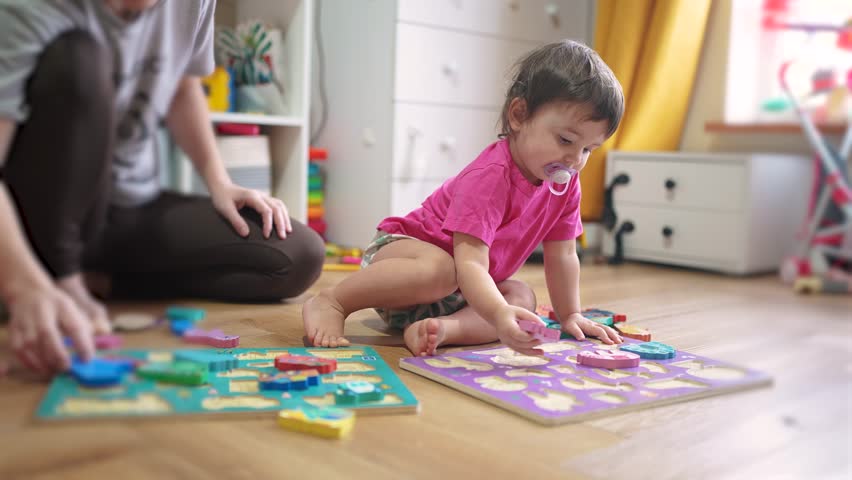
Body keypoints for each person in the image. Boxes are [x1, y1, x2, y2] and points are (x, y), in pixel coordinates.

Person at [0, 0, 325, 374]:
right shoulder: (29, 8)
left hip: (128, 207)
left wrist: (219, 181)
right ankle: (57, 277)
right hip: (38, 216)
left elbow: (183, 85)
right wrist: (24, 285)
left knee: (297, 255)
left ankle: (98, 281)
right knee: (79, 58)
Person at [303, 40, 625, 356]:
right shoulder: (490, 176)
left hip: (455, 293)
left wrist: (570, 315)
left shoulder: (566, 185)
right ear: (518, 115)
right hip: (402, 265)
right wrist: (497, 314)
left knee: (520, 297)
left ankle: (442, 329)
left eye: (587, 149)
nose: (574, 159)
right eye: (565, 140)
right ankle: (333, 301)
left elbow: (564, 254)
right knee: (444, 270)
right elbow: (469, 263)